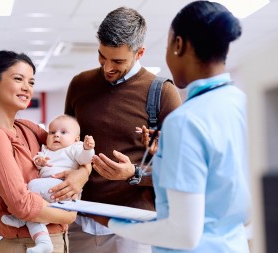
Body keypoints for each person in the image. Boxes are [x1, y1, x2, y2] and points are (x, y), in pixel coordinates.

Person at [91, 1, 251, 252]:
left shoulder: (185, 121)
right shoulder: (244, 105)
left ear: (178, 44)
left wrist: (114, 223)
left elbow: (183, 235)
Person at [64, 6, 182, 253]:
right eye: (101, 56)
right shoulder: (79, 85)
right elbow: (68, 147)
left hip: (134, 226)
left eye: (118, 61)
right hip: (80, 222)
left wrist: (133, 173)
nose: (107, 67)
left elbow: (179, 168)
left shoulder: (162, 93)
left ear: (140, 52)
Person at [0, 50, 91, 253]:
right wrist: (70, 214)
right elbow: (21, 205)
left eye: (31, 82)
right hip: (25, 245)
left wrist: (82, 174)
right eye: (18, 79)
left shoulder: (28, 128)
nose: (26, 88)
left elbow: (73, 148)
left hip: (58, 241)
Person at [1, 114, 95, 253]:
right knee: (35, 213)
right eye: (52, 132)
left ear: (76, 139)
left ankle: (22, 218)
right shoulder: (45, 150)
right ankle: (43, 241)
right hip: (48, 190)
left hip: (63, 188)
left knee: (31, 188)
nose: (56, 135)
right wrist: (40, 162)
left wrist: (87, 149)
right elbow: (38, 163)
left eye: (63, 132)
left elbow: (85, 159)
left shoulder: (74, 148)